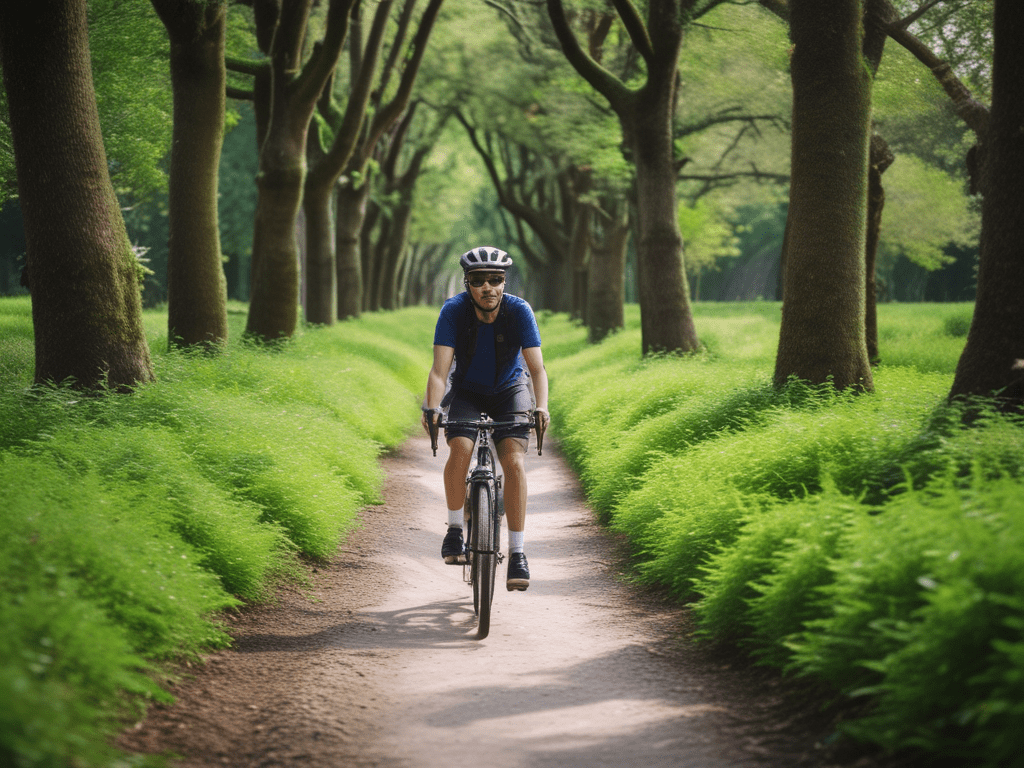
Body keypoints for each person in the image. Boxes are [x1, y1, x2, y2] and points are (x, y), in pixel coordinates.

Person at [421, 246, 550, 591]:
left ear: (504, 283)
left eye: (496, 280)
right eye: (479, 281)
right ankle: (453, 531)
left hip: (511, 390)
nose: (488, 287)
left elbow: (536, 369)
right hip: (466, 391)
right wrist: (432, 408)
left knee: (514, 461)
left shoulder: (519, 310)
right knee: (460, 448)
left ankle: (518, 553)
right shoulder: (454, 311)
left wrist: (541, 407)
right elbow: (439, 371)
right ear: (467, 284)